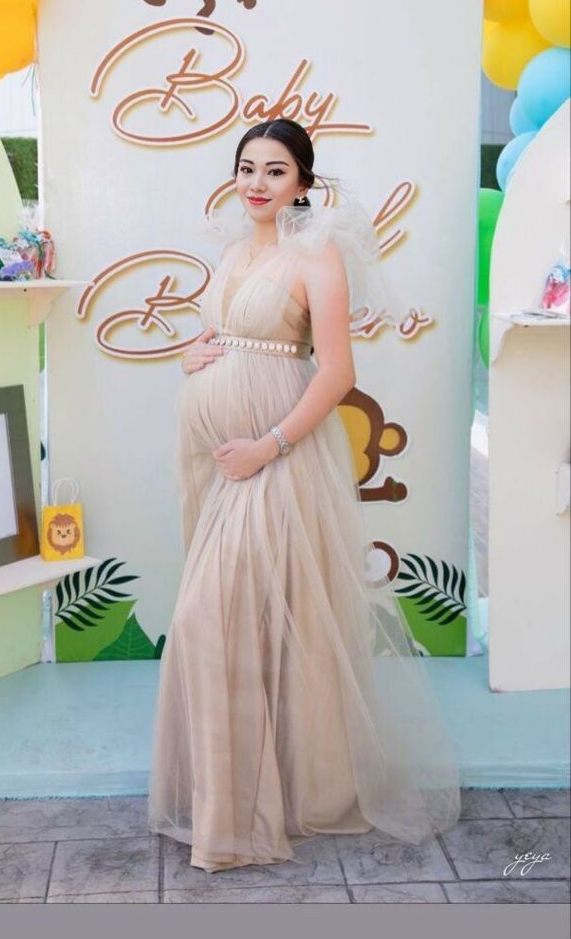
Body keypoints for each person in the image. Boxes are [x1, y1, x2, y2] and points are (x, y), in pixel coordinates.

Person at [148, 118, 461, 872]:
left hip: (278, 459)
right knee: (240, 623)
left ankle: (247, 815)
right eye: (246, 167)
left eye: (275, 170)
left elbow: (337, 372)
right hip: (221, 463)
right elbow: (227, 338)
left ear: (302, 183)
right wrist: (193, 355)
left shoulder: (317, 255)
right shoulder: (231, 252)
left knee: (209, 619)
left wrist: (269, 445)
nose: (256, 183)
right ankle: (249, 797)